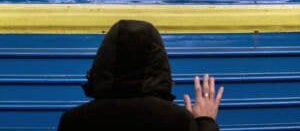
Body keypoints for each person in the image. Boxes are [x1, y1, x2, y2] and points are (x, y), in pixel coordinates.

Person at [57, 19, 224, 131]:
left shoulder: (73, 121)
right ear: (158, 62)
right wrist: (205, 121)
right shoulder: (178, 120)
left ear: (103, 61)